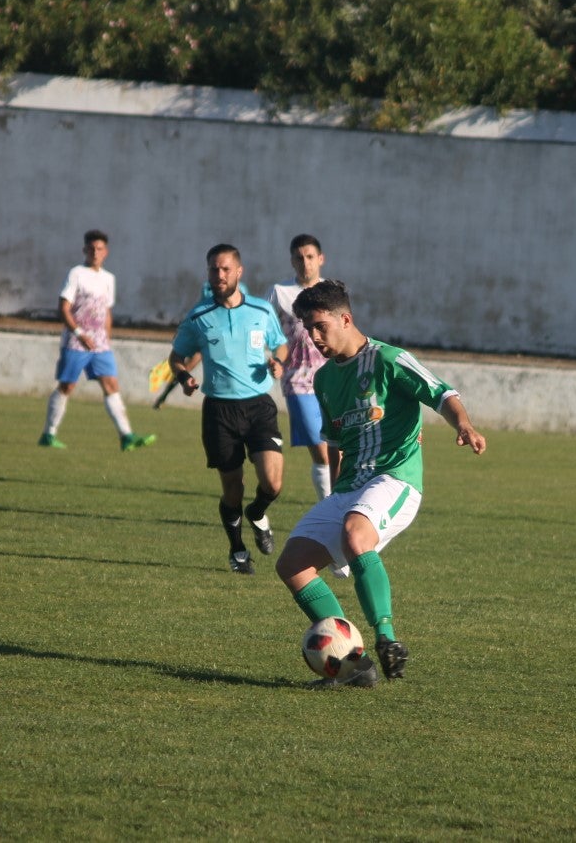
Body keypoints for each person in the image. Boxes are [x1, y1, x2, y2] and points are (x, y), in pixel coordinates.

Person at [276, 279, 487, 687]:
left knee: (357, 536)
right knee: (292, 565)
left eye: (321, 326)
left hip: (395, 479)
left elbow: (441, 393)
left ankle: (387, 639)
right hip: (351, 487)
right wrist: (336, 493)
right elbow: (335, 445)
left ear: (346, 319)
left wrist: (464, 424)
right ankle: (355, 666)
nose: (314, 337)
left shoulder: (389, 359)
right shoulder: (324, 381)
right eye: (308, 329)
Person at [169, 244, 289, 575]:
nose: (219, 275)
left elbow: (280, 343)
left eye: (225, 269)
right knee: (232, 489)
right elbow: (177, 357)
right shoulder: (199, 316)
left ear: (239, 271)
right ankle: (237, 550)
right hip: (219, 411)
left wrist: (278, 362)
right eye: (213, 270)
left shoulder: (261, 311)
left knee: (273, 483)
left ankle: (258, 513)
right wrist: (184, 377)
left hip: (259, 407)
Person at [38, 229, 156, 451]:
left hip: (100, 344)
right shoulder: (76, 274)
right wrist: (79, 334)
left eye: (99, 249)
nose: (95, 252)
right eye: (91, 248)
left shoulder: (109, 279)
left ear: (106, 252)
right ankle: (48, 434)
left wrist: (106, 339)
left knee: (111, 384)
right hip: (76, 341)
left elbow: (106, 312)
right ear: (85, 250)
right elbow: (64, 308)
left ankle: (126, 436)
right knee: (67, 386)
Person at [267, 234, 333, 502]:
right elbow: (266, 330)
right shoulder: (280, 292)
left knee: (337, 449)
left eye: (309, 257)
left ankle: (337, 503)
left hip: (333, 379)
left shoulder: (332, 291)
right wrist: (275, 360)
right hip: (297, 381)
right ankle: (329, 507)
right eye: (299, 258)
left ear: (321, 259)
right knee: (321, 451)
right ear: (292, 261)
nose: (305, 263)